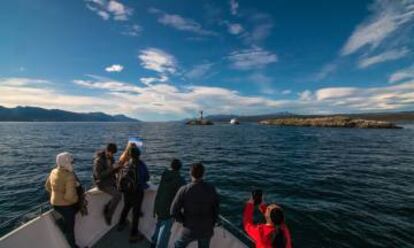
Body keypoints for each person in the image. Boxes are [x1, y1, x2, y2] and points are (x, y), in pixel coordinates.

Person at [170, 163, 219, 248]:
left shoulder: (184, 189)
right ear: (203, 174)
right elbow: (216, 209)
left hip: (189, 229)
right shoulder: (211, 188)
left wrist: (183, 221)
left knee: (178, 245)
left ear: (190, 173)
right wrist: (212, 222)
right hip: (206, 229)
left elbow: (173, 211)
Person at [45, 152, 80, 248]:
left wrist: (57, 194)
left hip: (54, 203)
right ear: (67, 163)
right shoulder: (69, 176)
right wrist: (78, 199)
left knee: (68, 219)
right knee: (70, 229)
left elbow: (47, 187)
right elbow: (70, 198)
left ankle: (61, 223)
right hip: (65, 206)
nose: (72, 164)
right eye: (71, 162)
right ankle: (73, 246)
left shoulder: (53, 171)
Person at [117, 146, 150, 243]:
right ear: (139, 155)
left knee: (126, 207)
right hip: (137, 191)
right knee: (136, 213)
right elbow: (147, 177)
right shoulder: (141, 165)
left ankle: (121, 224)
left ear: (130, 155)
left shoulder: (126, 164)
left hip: (127, 191)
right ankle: (133, 235)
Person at [151, 159, 186, 248]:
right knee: (164, 233)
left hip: (158, 205)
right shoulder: (180, 180)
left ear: (171, 166)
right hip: (168, 210)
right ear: (179, 168)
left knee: (158, 226)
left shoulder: (165, 174)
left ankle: (153, 244)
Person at [93, 143, 123, 225]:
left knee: (123, 189)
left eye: (113, 153)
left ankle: (108, 206)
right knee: (118, 195)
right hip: (102, 184)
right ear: (107, 151)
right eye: (111, 153)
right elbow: (99, 176)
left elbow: (112, 171)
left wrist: (118, 167)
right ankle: (108, 215)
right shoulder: (98, 160)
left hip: (110, 181)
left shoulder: (111, 158)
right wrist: (112, 167)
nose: (112, 155)